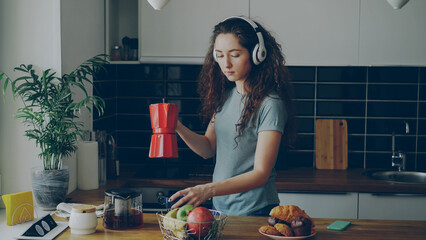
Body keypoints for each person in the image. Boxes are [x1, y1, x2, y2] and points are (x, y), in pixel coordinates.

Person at [168, 16, 295, 216]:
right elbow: (208, 148)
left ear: (257, 55)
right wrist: (175, 126)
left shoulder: (270, 104)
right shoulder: (225, 96)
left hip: (255, 211)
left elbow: (261, 174)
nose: (225, 63)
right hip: (221, 209)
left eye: (234, 54)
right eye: (219, 55)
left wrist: (208, 189)